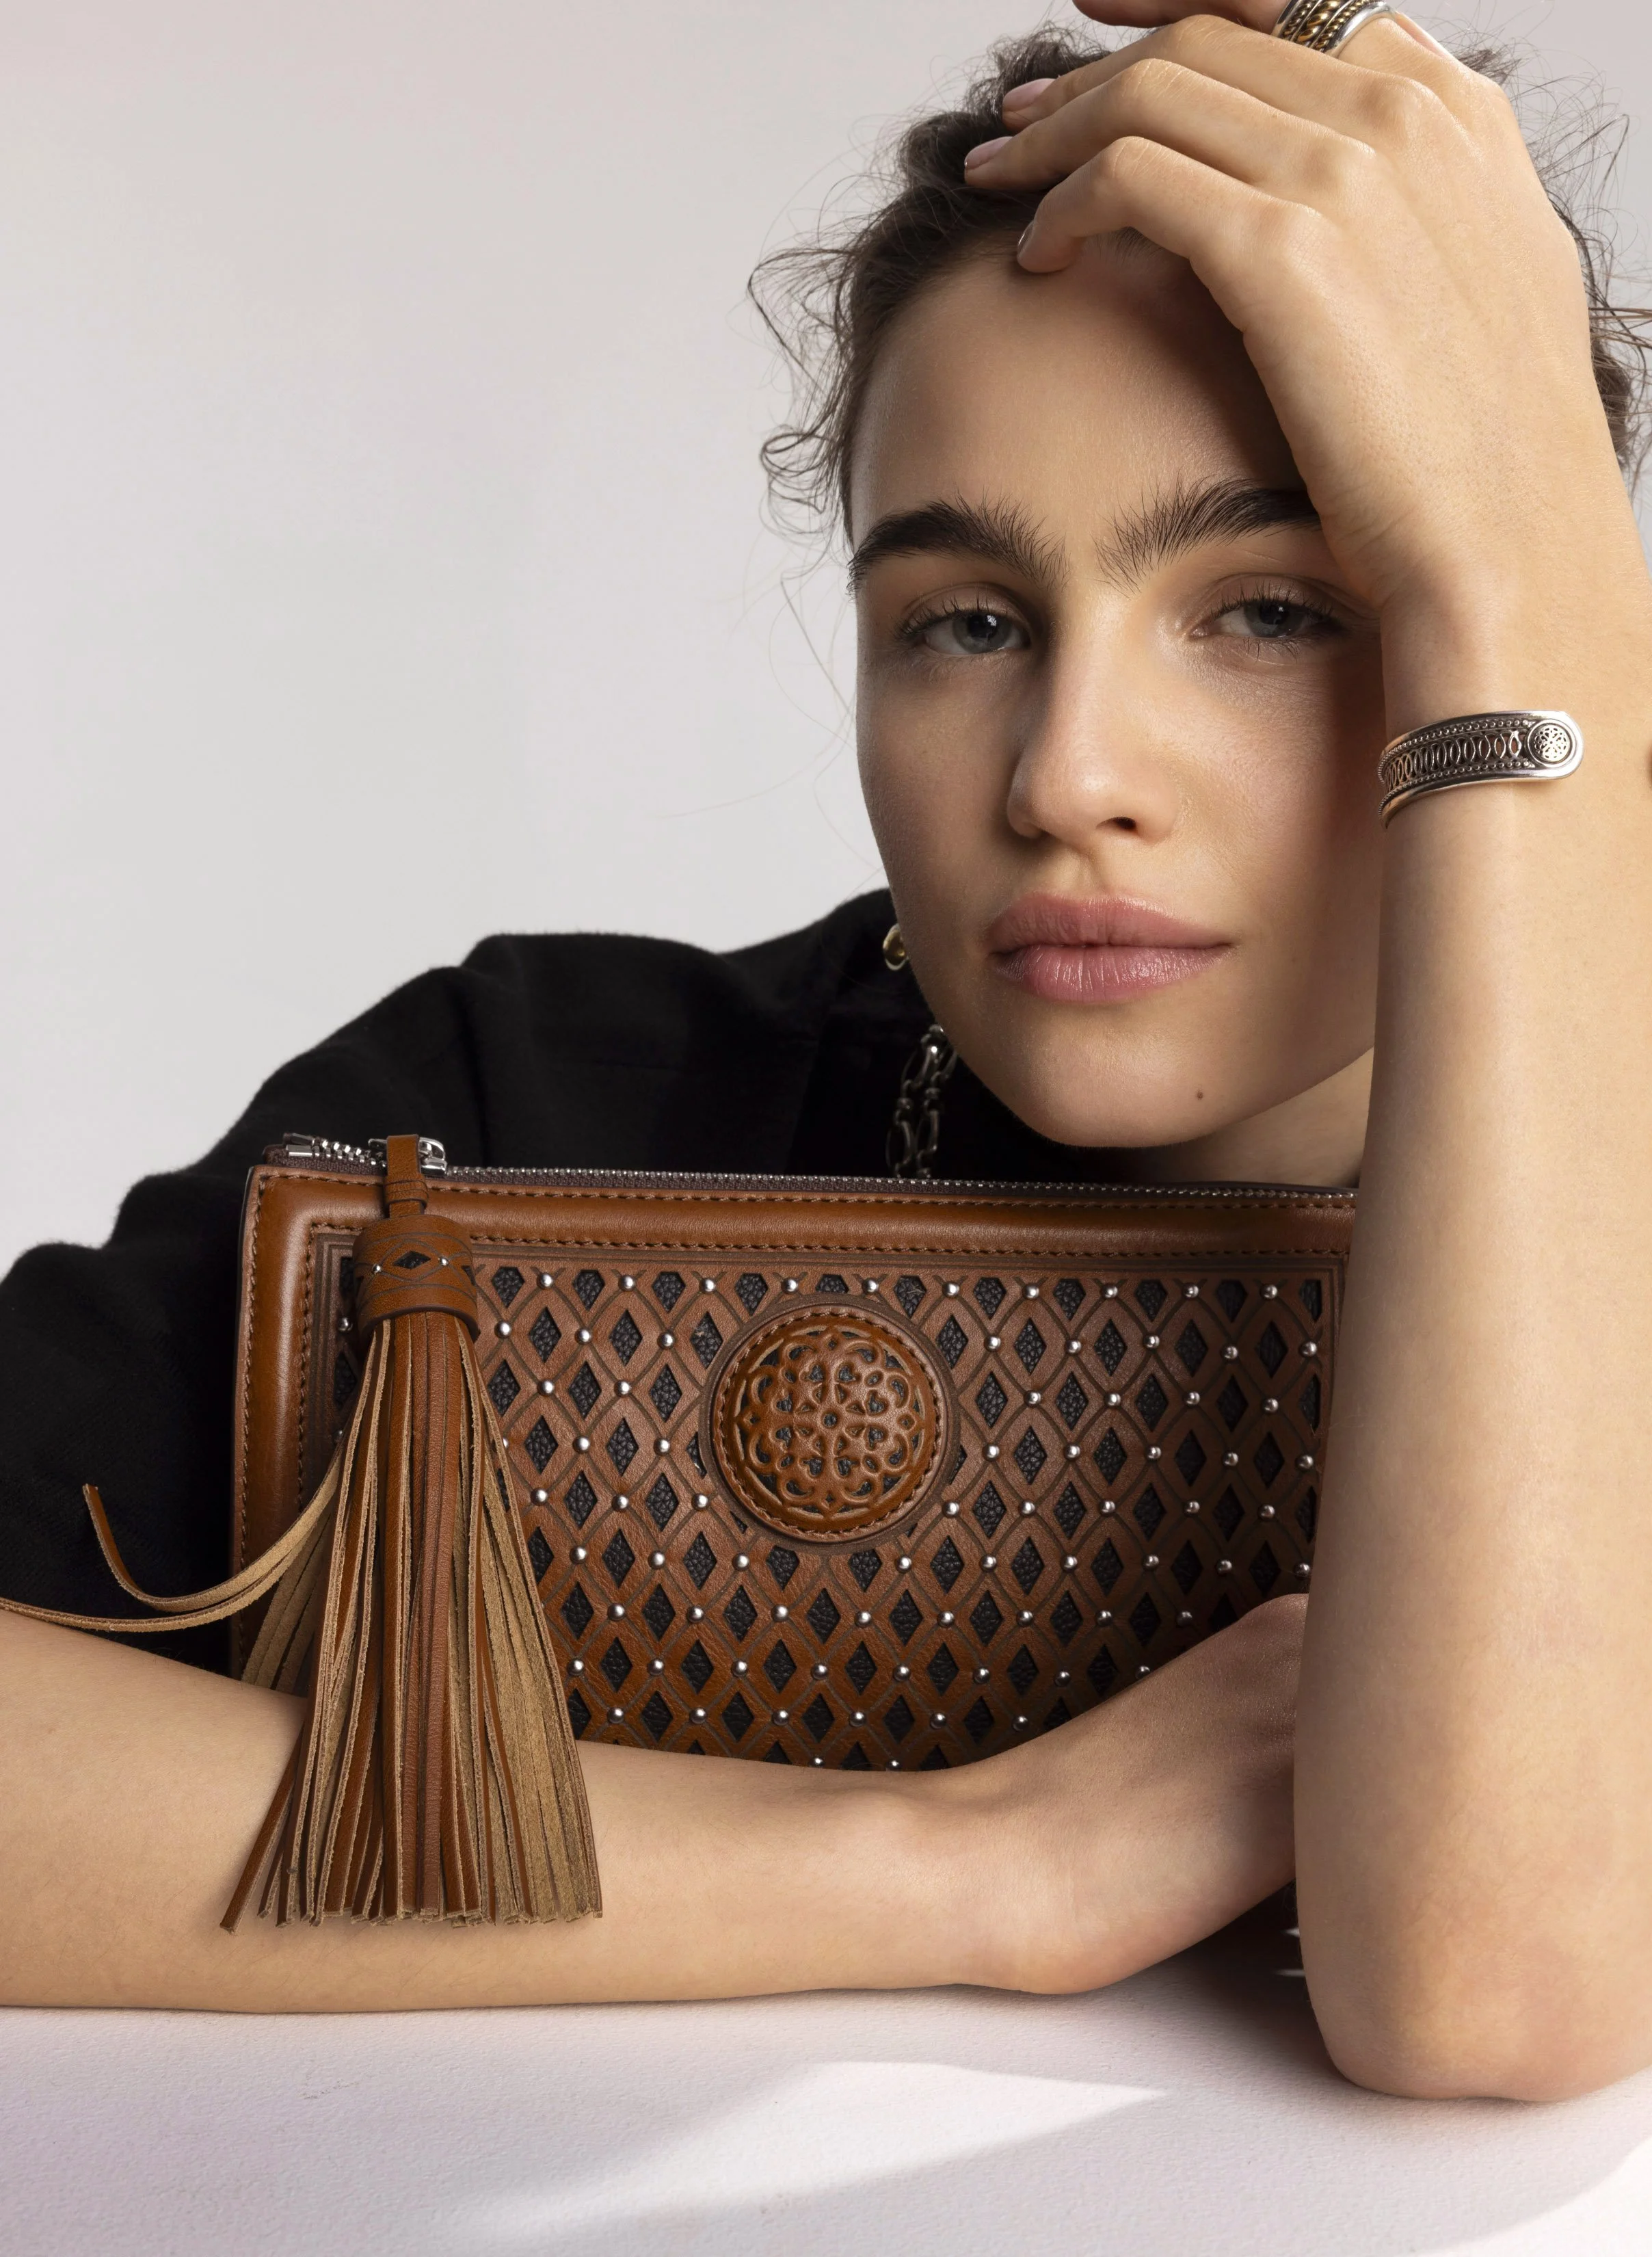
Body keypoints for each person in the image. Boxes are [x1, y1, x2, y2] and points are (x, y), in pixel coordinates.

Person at [3, 0, 1649, 2102]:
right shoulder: (532, 1131)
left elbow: (1487, 1990)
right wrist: (970, 1861)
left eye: (1271, 609)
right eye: (967, 620)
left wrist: (1534, 595)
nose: (1067, 773)